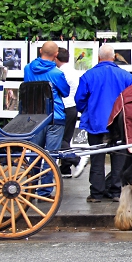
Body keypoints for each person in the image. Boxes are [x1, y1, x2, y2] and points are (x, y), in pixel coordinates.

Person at [75, 44, 132, 202]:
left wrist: (88, 111)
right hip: (119, 124)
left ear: (98, 58)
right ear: (114, 57)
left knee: (97, 158)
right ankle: (116, 192)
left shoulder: (88, 75)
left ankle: (96, 193)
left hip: (96, 123)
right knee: (119, 158)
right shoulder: (126, 76)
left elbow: (79, 100)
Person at [23, 41, 70, 198]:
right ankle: (44, 191)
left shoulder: (28, 69)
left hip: (35, 116)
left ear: (40, 50)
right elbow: (65, 92)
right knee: (51, 156)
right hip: (54, 117)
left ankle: (30, 187)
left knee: (34, 153)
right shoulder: (57, 73)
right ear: (56, 55)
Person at [55, 48, 88, 178]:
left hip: (63, 107)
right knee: (66, 139)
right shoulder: (74, 72)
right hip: (73, 107)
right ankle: (65, 169)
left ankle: (77, 160)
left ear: (56, 58)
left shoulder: (59, 72)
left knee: (60, 140)